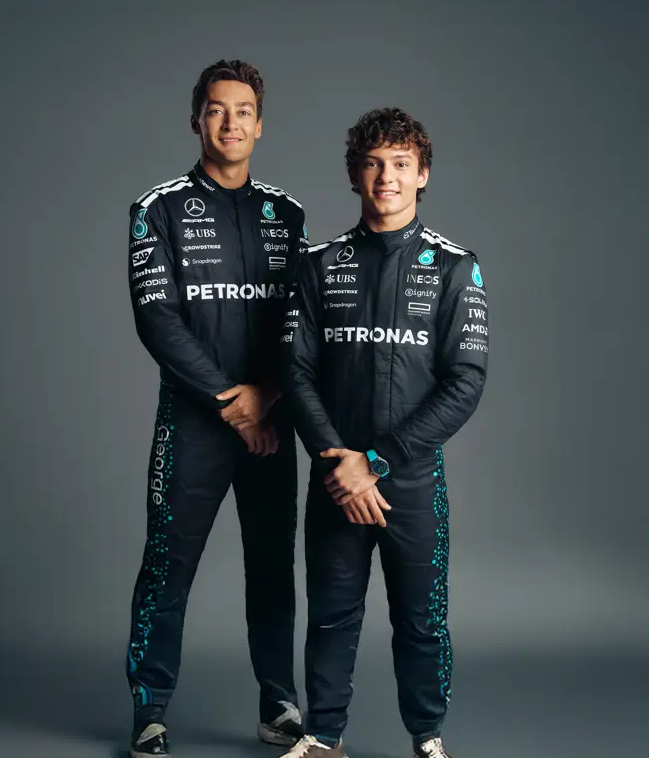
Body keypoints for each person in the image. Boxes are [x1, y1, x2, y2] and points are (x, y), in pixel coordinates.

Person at [278, 108, 490, 758]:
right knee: (332, 615)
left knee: (421, 621)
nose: (386, 176)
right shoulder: (318, 263)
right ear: (354, 175)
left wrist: (376, 459)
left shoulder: (457, 266)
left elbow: (466, 382)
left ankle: (427, 738)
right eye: (372, 163)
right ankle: (322, 737)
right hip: (337, 480)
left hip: (411, 483)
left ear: (422, 173)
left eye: (400, 163)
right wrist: (339, 461)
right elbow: (295, 370)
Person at [123, 59, 307, 758]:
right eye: (216, 109)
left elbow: (300, 321)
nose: (230, 122)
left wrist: (268, 397)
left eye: (242, 111)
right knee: (169, 562)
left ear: (260, 124)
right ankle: (149, 709)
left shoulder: (286, 214)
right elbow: (157, 320)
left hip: (272, 419)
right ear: (196, 118)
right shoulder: (157, 208)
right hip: (195, 423)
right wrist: (233, 404)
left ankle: (279, 701)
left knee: (271, 564)